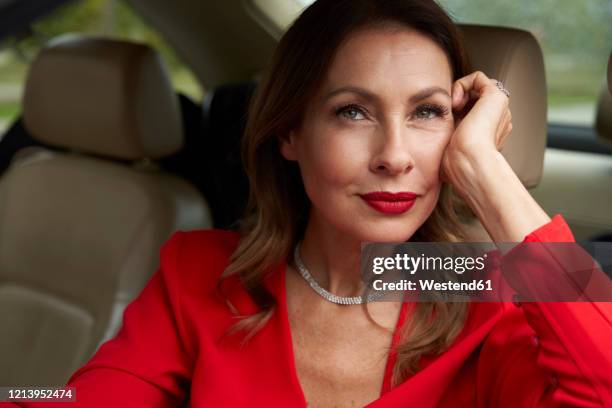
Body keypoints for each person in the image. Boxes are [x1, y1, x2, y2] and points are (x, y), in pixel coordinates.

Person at [4, 0, 611, 407]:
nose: (394, 156)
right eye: (353, 111)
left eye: (428, 112)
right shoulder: (201, 275)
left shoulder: (493, 292)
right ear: (290, 133)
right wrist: (25, 392)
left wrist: (487, 172)